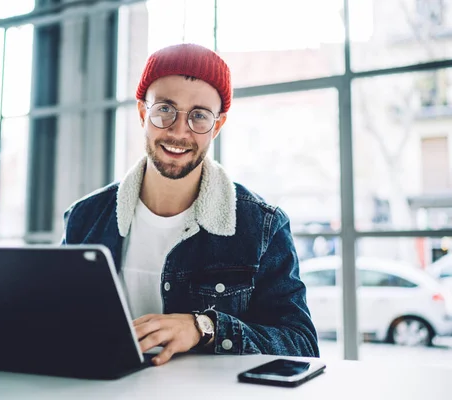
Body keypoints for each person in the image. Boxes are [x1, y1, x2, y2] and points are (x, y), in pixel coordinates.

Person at [61, 43, 319, 366]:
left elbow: (302, 345)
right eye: (165, 110)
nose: (179, 131)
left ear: (218, 125)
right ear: (143, 113)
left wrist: (205, 328)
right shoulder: (83, 219)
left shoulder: (262, 227)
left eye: (199, 116)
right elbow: (56, 323)